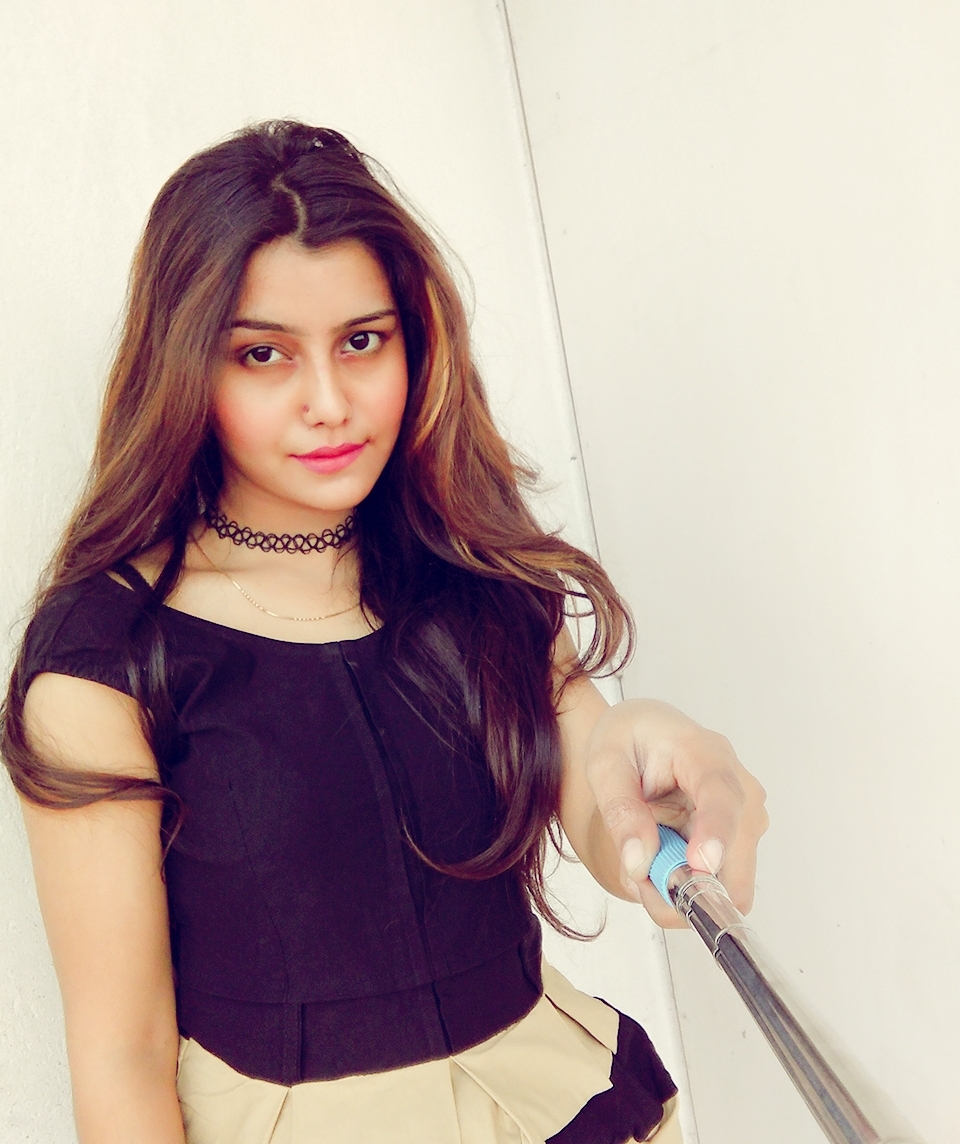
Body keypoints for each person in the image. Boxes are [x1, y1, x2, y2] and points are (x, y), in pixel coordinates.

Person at [2, 121, 767, 1144]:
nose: (330, 403)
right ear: (186, 367)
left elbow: (603, 793)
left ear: (416, 341)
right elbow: (122, 1056)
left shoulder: (468, 570)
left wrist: (668, 799)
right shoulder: (107, 657)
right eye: (264, 354)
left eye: (363, 341)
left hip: (557, 1105)